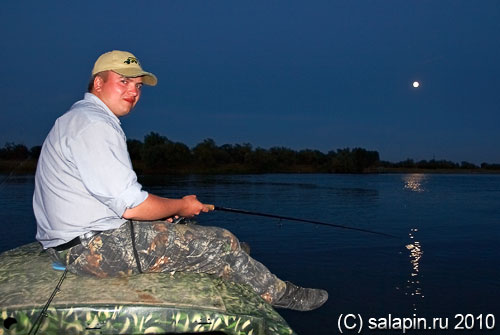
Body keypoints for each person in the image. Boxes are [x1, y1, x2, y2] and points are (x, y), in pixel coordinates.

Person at [33, 50, 328, 311]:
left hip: (74, 240)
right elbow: (132, 207)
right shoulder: (94, 125)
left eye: (137, 86)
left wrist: (173, 211)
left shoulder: (78, 119)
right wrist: (182, 205)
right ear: (98, 83)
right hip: (90, 249)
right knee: (222, 243)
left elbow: (115, 200)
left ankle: (236, 261)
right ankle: (282, 294)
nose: (133, 92)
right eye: (123, 81)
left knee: (183, 226)